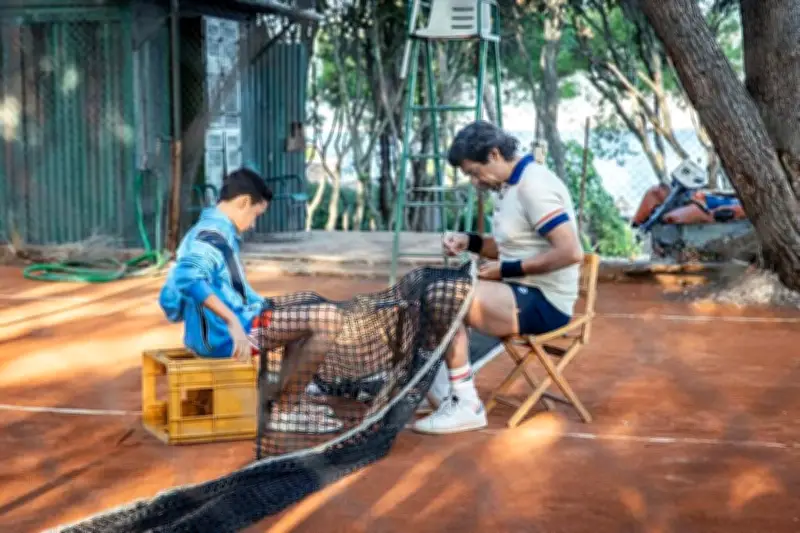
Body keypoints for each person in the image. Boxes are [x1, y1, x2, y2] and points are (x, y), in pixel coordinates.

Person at [412, 120, 584, 435]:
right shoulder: (506, 187)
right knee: (430, 291)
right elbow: (511, 245)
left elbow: (571, 252)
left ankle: (466, 405)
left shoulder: (534, 187)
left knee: (446, 297)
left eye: (475, 172)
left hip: (546, 302)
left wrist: (506, 270)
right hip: (517, 290)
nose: (475, 181)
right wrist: (469, 241)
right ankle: (441, 390)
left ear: (494, 154)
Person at [158, 167, 345, 433]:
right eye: (256, 215)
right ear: (244, 202)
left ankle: (289, 398)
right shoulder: (212, 234)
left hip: (224, 331)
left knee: (303, 312)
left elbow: (170, 300)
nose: (254, 223)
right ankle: (285, 411)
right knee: (329, 319)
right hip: (229, 339)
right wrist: (231, 322)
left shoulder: (206, 230)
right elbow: (188, 278)